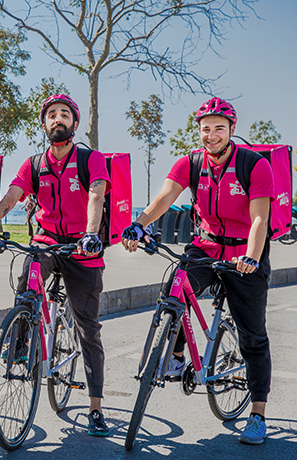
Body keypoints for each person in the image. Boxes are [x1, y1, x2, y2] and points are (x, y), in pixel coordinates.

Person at [121, 97, 273, 445]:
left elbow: (260, 218)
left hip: (242, 255)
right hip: (204, 247)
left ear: (231, 130)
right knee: (174, 292)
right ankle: (175, 359)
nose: (211, 135)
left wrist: (251, 256)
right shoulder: (190, 163)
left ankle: (258, 414)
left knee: (253, 336)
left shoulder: (254, 164)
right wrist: (139, 224)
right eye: (206, 129)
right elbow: (165, 197)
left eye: (219, 128)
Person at [0, 94, 112, 436]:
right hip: (47, 241)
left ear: (74, 124)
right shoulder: (34, 164)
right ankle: (20, 344)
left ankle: (95, 406)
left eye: (64, 114)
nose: (57, 119)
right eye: (51, 115)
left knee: (87, 328)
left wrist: (91, 233)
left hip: (83, 247)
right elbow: (11, 198)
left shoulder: (89, 158)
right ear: (44, 123)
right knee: (27, 277)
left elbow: (97, 193)